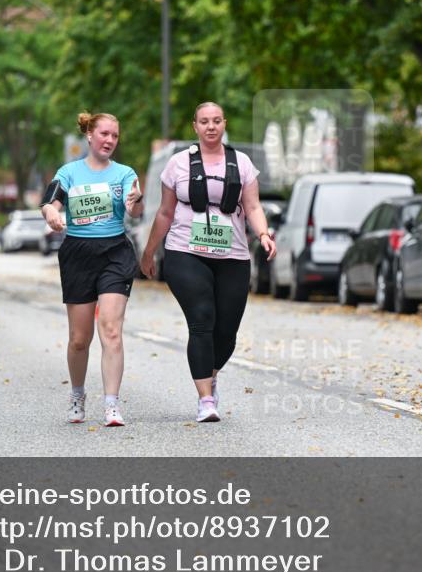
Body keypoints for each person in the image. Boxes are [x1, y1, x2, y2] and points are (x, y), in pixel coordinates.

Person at [141, 102, 276, 423]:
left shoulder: (242, 163)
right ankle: (205, 400)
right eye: (204, 121)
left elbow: (253, 206)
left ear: (224, 124)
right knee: (202, 318)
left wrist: (264, 234)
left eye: (216, 121)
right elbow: (165, 212)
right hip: (184, 251)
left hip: (233, 255)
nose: (211, 126)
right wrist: (149, 251)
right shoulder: (177, 164)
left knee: (226, 332)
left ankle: (210, 374)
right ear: (195, 126)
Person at [41, 112, 143, 427]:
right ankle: (77, 394)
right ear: (89, 135)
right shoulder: (69, 172)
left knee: (111, 329)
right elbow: (50, 202)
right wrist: (52, 214)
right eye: (104, 134)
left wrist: (135, 202)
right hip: (78, 254)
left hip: (115, 252)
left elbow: (136, 208)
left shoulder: (125, 173)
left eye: (115, 135)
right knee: (79, 339)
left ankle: (111, 404)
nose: (110, 140)